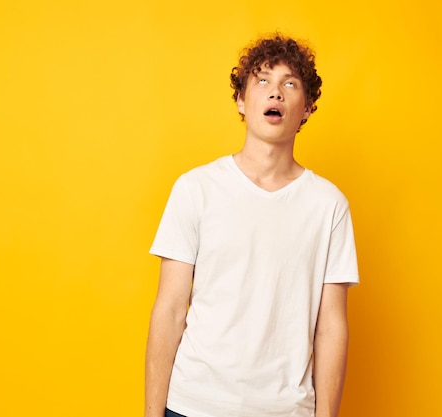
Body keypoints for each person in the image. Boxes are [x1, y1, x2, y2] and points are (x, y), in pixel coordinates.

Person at [144, 34, 359, 417]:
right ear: (242, 100)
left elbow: (331, 327)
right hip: (193, 405)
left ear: (307, 107)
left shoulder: (329, 206)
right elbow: (170, 308)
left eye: (289, 84)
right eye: (262, 81)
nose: (275, 93)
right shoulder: (196, 188)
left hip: (285, 410)